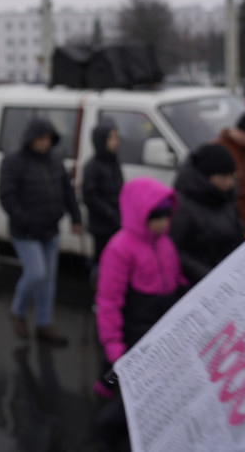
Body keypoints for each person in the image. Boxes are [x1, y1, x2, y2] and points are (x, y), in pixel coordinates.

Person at [94, 177, 186, 452]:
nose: (163, 224)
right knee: (126, 386)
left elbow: (174, 277)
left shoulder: (164, 243)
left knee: (135, 385)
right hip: (133, 330)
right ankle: (107, 431)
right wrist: (113, 343)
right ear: (139, 214)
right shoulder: (121, 248)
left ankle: (107, 391)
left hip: (157, 329)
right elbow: (108, 301)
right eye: (156, 218)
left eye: (166, 217)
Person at [0, 118, 83, 347]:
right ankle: (18, 311)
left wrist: (76, 218)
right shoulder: (14, 161)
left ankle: (44, 323)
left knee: (48, 280)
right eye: (41, 139)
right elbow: (6, 196)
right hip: (25, 232)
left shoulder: (55, 161)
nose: (45, 143)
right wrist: (26, 220)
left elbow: (67, 191)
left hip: (50, 230)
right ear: (31, 139)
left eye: (48, 139)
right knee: (36, 273)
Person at [169, 143, 245, 284]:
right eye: (223, 177)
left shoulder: (225, 198)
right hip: (201, 285)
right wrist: (209, 276)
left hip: (230, 278)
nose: (229, 183)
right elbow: (175, 250)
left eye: (232, 176)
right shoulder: (183, 206)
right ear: (205, 177)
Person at [82, 124, 124, 278]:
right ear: (101, 140)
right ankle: (99, 295)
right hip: (101, 227)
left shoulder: (114, 162)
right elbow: (90, 197)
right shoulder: (92, 166)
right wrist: (112, 213)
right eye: (111, 138)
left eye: (116, 137)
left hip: (117, 224)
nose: (116, 141)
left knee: (116, 263)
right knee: (101, 263)